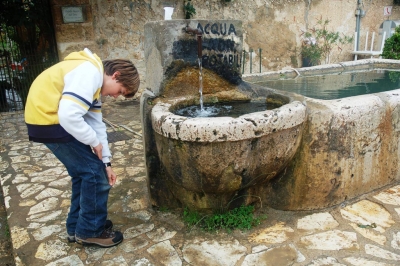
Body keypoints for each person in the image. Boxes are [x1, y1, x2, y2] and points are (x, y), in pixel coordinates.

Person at [24, 48, 140, 248]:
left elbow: (97, 125)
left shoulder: (93, 83)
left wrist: (107, 163)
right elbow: (68, 116)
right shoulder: (89, 73)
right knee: (94, 175)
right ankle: (89, 231)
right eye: (120, 91)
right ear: (116, 75)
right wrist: (93, 144)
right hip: (49, 120)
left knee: (84, 173)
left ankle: (77, 226)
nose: (115, 96)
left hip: (46, 121)